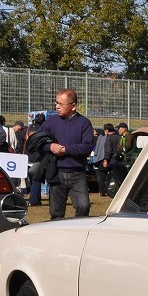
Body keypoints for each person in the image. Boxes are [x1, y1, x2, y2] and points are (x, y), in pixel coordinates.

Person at [42, 89, 95, 219]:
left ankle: (78, 233)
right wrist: (50, 146)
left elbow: (87, 147)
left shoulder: (84, 123)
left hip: (78, 174)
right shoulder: (51, 122)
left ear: (73, 106)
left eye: (61, 104)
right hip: (56, 173)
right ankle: (57, 236)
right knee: (56, 213)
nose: (57, 106)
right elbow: (37, 143)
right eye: (56, 103)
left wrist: (66, 150)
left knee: (83, 207)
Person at [92, 123, 119, 197]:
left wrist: (105, 159)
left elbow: (106, 149)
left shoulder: (106, 137)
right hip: (115, 159)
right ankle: (109, 190)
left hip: (104, 159)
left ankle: (103, 191)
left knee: (101, 175)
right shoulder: (118, 137)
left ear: (106, 130)